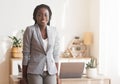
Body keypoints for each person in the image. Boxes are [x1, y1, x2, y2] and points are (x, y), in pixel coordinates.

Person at [21, 4, 61, 84]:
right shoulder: (30, 30)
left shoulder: (54, 31)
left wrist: (57, 76)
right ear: (35, 17)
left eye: (46, 15)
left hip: (51, 71)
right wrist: (24, 77)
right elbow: (26, 54)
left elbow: (56, 55)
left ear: (49, 17)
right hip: (34, 71)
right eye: (39, 15)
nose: (43, 18)